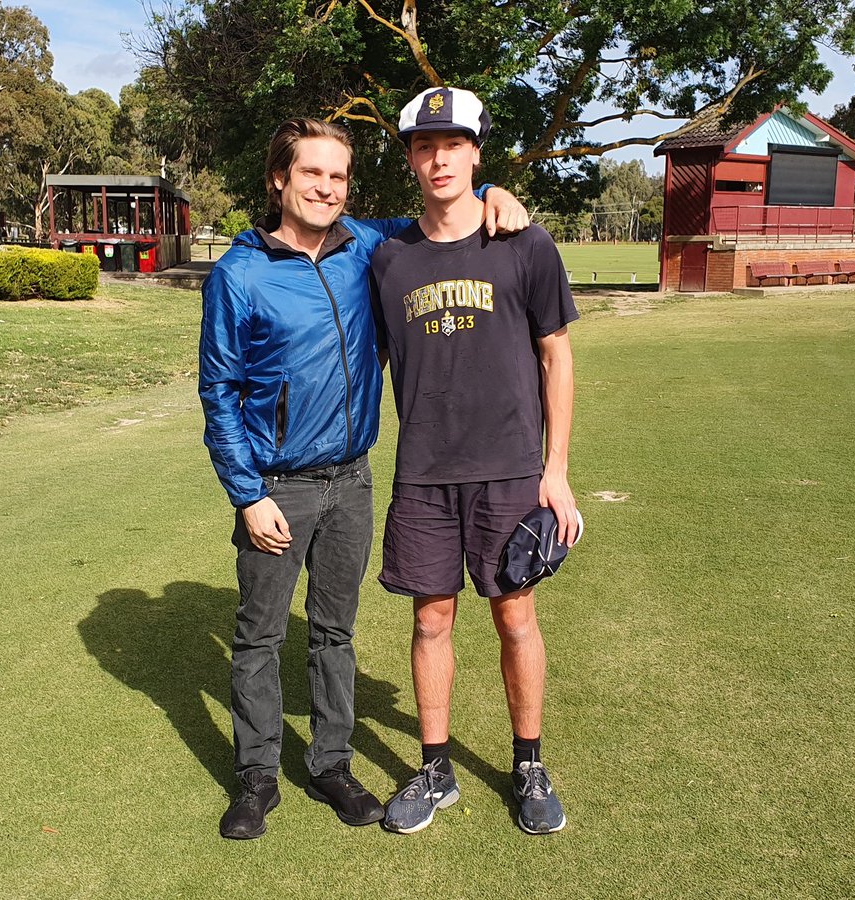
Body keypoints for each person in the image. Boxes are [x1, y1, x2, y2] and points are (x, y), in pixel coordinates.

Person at [199, 117, 528, 840]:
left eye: (338, 176)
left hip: (351, 480)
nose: (326, 188)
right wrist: (247, 495)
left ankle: (331, 766)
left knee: (334, 633)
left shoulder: (366, 246)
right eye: (311, 173)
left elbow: (442, 216)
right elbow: (219, 393)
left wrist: (495, 192)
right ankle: (256, 777)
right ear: (279, 179)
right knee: (259, 637)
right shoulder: (239, 274)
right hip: (277, 487)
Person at [369, 87, 581, 835]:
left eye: (453, 144)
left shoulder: (525, 244)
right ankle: (436, 771)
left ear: (476, 153)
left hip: (510, 470)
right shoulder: (386, 256)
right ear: (410, 159)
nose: (439, 159)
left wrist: (555, 471)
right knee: (431, 621)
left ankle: (529, 764)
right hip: (424, 472)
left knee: (515, 618)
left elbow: (556, 357)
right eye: (425, 146)